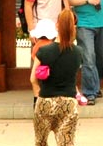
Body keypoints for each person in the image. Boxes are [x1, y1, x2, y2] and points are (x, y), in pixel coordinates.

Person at [32, 9, 82, 146]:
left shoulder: (44, 51)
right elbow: (73, 76)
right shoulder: (78, 52)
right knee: (66, 142)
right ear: (74, 27)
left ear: (57, 25)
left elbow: (33, 78)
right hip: (68, 103)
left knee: (41, 142)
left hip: (46, 102)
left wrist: (38, 95)